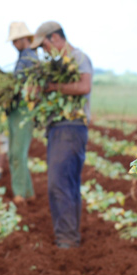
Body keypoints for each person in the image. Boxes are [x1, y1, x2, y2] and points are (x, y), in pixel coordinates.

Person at [30, 21, 93, 249]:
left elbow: (84, 87)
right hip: (60, 128)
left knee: (59, 184)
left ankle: (67, 239)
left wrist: (53, 87)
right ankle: (69, 237)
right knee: (67, 184)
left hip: (71, 127)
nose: (43, 51)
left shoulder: (78, 58)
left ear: (55, 38)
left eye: (44, 46)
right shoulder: (57, 64)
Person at [6, 22, 38, 204]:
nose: (13, 44)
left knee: (17, 154)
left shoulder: (30, 58)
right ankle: (28, 192)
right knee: (16, 153)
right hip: (17, 110)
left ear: (24, 39)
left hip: (23, 110)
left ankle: (19, 194)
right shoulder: (23, 57)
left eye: (15, 40)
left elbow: (21, 86)